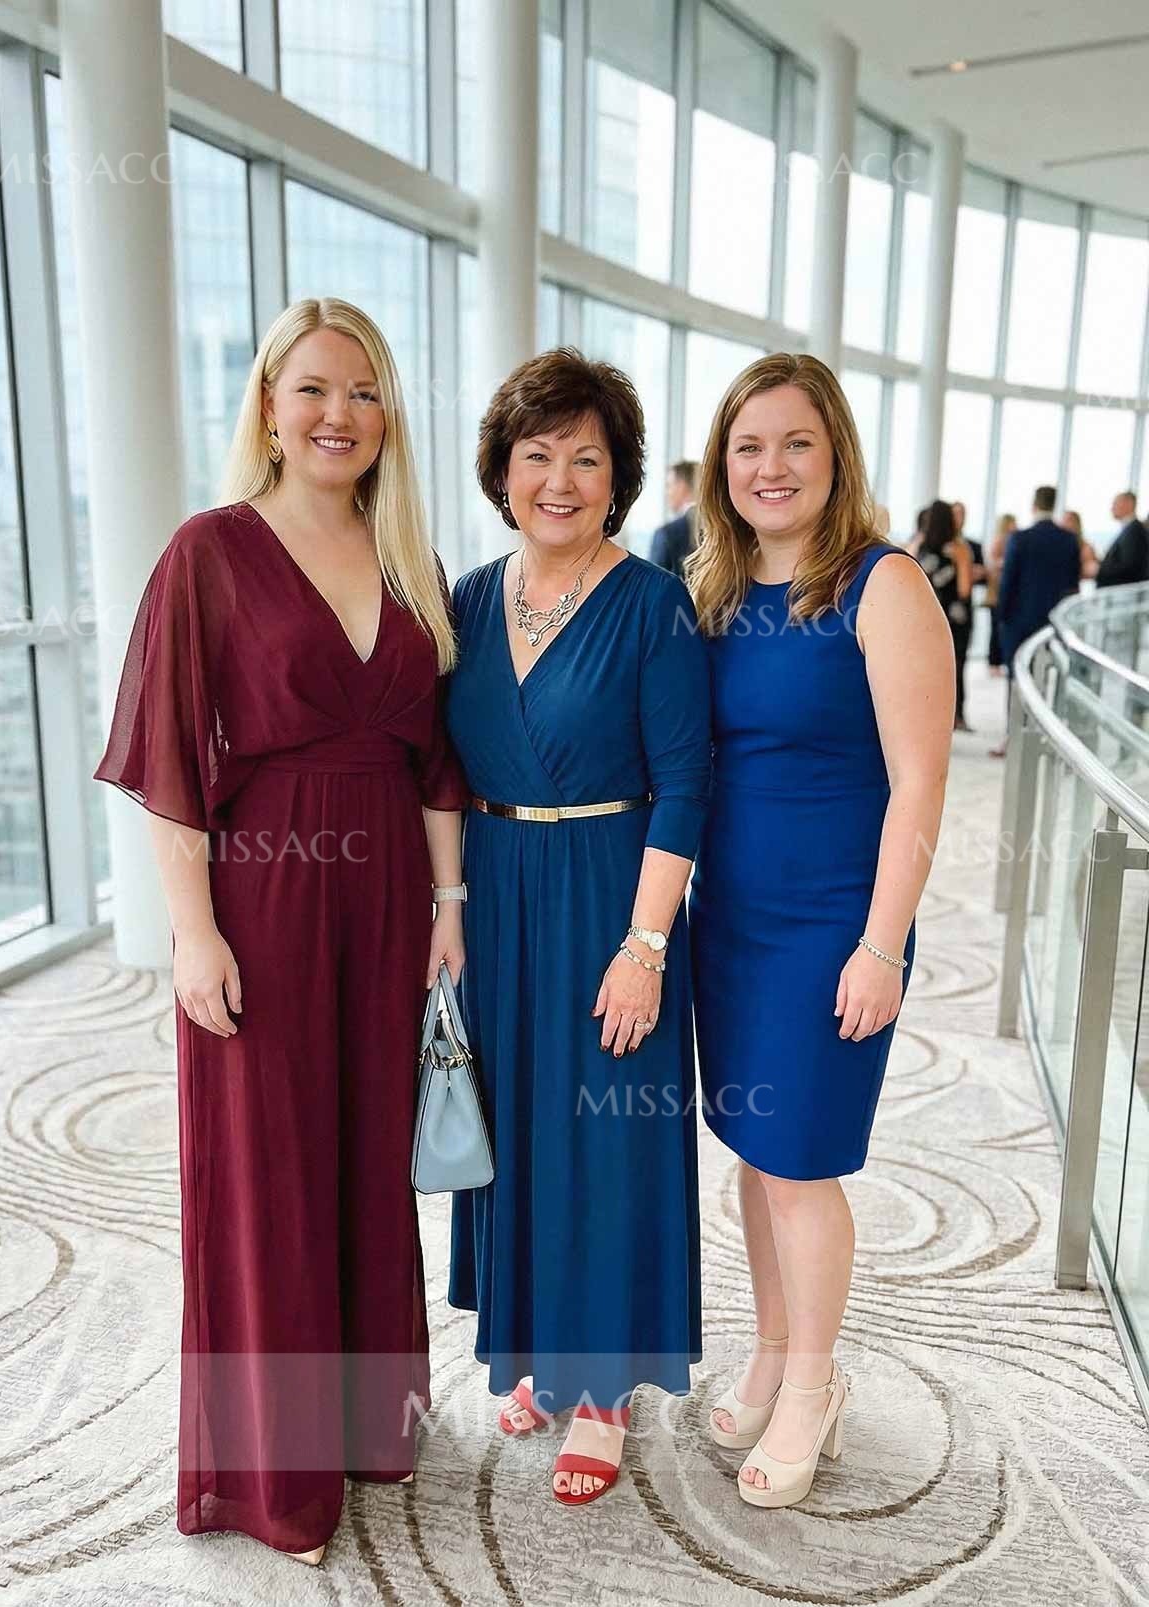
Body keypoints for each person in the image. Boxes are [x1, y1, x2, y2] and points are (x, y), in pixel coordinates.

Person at [93, 298, 470, 1565]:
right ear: (267, 406)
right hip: (261, 898)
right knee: (270, 1177)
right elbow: (168, 761)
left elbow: (436, 764)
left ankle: (367, 1424)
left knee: (367, 1159)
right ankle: (278, 1477)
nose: (338, 414)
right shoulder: (209, 550)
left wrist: (449, 909)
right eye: (312, 388)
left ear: (388, 417)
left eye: (363, 392)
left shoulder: (409, 557)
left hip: (388, 903)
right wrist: (192, 933)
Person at [687, 352, 954, 1510]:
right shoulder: (715, 586)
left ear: (835, 449)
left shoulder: (882, 584)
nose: (771, 466)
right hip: (729, 920)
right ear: (723, 465)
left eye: (796, 441)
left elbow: (921, 784)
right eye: (748, 446)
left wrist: (882, 942)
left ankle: (814, 1381)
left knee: (800, 1164)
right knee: (756, 1154)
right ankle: (771, 1348)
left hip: (833, 926)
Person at [446, 347, 711, 1506]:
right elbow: (439, 769)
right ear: (503, 471)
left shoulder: (653, 604)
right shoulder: (466, 595)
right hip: (497, 889)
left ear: (619, 479)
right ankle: (535, 1350)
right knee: (519, 1126)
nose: (559, 479)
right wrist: (447, 909)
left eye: (586, 459)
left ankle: (603, 1385)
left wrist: (645, 947)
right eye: (537, 454)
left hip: (612, 891)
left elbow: (687, 784)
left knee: (606, 1136)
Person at [989, 485, 1081, 758]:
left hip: (1018, 622)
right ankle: (1041, 736)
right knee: (1046, 679)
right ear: (1054, 504)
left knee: (1016, 680)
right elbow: (1073, 586)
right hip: (1052, 624)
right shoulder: (1069, 540)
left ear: (1034, 504)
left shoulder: (1020, 538)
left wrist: (1001, 618)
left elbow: (1008, 583)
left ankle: (1013, 735)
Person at [911, 499, 975, 731]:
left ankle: (923, 714)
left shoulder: (918, 546)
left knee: (924, 667)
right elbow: (964, 589)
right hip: (954, 618)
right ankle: (955, 716)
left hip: (924, 615)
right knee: (955, 668)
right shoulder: (959, 549)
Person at [648, 459, 698, 576]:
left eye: (669, 486)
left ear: (681, 486)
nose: (667, 493)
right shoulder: (720, 528)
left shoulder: (667, 534)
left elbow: (653, 583)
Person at [1095, 491, 1149, 587]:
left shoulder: (1134, 530)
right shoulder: (1129, 529)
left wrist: (1098, 569)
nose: (1112, 508)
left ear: (1129, 504)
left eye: (1115, 503)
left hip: (1124, 591)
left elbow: (1129, 567)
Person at [985, 513, 1017, 671]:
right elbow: (992, 563)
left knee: (1001, 627)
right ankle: (994, 662)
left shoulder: (1012, 541)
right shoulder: (999, 541)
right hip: (997, 593)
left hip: (1004, 592)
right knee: (996, 628)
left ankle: (999, 661)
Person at [1060, 509, 1100, 580]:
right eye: (1063, 520)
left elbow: (1092, 570)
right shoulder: (1059, 546)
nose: (1064, 524)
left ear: (1077, 524)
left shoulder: (1086, 548)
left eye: (1068, 520)